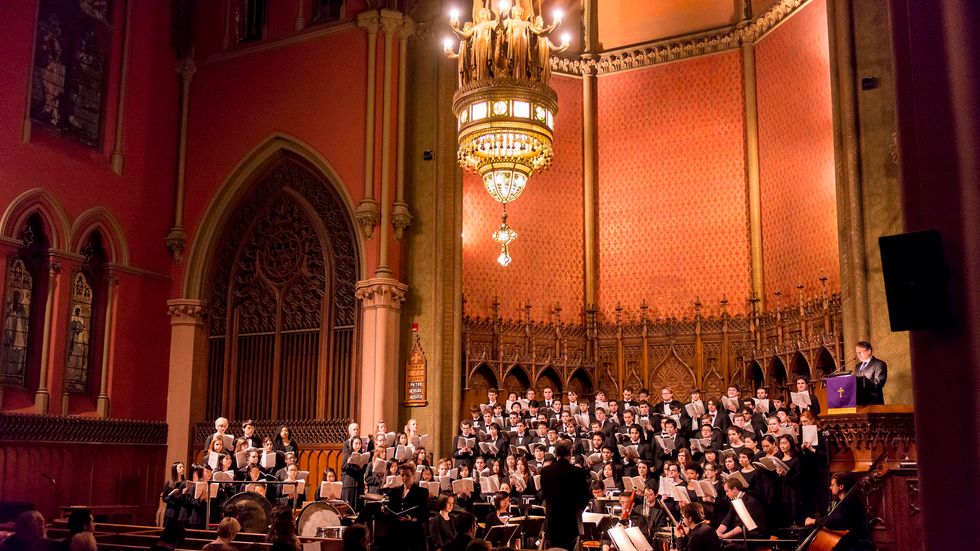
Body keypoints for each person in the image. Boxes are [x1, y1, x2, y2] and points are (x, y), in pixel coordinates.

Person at [539, 443, 591, 551]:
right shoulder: (578, 472)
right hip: (571, 519)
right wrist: (577, 509)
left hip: (552, 518)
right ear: (570, 455)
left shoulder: (545, 471)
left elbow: (545, 494)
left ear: (556, 455)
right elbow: (585, 496)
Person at [804, 473, 874, 551]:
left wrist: (814, 521)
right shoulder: (840, 502)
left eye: (833, 485)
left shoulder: (850, 502)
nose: (830, 487)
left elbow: (836, 521)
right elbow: (831, 518)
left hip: (856, 544)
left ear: (841, 486)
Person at [386, 464, 429, 551]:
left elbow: (424, 514)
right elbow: (391, 509)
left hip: (413, 532)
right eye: (402, 475)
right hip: (396, 531)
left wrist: (412, 519)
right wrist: (386, 511)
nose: (404, 478)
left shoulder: (421, 492)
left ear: (413, 475)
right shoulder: (394, 491)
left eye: (407, 475)